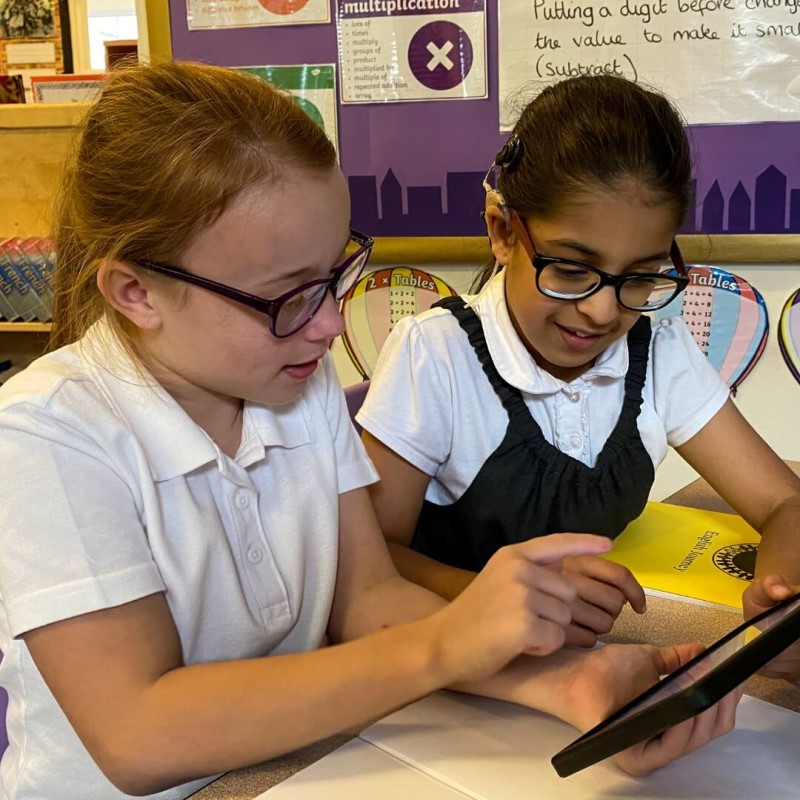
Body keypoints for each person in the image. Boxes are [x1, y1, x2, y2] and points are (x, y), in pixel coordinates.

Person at [0, 63, 740, 800]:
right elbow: (137, 735)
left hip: (302, 766)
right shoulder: (48, 434)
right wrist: (448, 642)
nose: (329, 324)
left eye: (336, 273)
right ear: (137, 291)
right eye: (287, 297)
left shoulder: (296, 380)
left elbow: (367, 599)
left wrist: (574, 681)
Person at [359, 74, 800, 670]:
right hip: (449, 664)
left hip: (581, 660)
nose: (601, 310)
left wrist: (781, 600)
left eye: (641, 275)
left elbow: (783, 503)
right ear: (504, 233)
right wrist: (499, 600)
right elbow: (370, 560)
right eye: (570, 269)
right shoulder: (434, 356)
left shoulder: (659, 345)